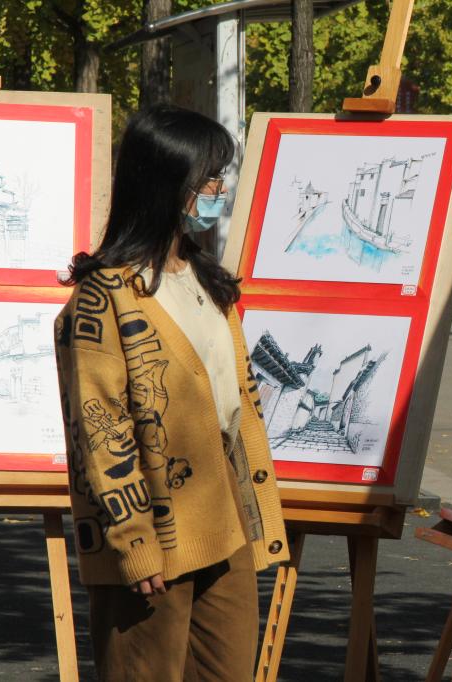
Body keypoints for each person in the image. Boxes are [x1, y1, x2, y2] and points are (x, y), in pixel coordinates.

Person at [54, 104, 289, 681]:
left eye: (220, 176)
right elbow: (100, 429)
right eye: (207, 178)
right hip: (150, 533)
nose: (219, 190)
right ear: (165, 183)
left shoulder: (204, 277)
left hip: (223, 517)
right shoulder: (105, 296)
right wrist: (133, 541)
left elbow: (234, 404)